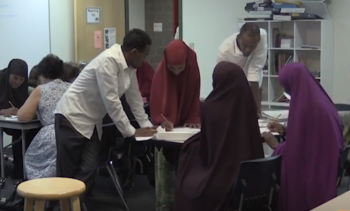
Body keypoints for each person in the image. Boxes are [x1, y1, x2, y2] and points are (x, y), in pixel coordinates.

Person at [54, 28, 157, 203]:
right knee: (68, 172)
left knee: (89, 167)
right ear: (134, 52)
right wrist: (131, 132)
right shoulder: (109, 61)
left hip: (91, 122)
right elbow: (112, 101)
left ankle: (74, 205)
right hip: (71, 117)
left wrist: (147, 127)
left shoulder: (129, 67)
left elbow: (135, 99)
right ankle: (61, 206)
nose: (145, 59)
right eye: (145, 55)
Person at [173, 61, 264, 211]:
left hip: (221, 177)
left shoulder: (211, 107)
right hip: (251, 180)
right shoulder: (249, 105)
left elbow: (210, 146)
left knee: (188, 168)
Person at [262, 63, 343, 211]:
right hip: (328, 167)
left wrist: (275, 145)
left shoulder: (304, 106)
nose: (283, 90)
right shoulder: (321, 100)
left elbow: (296, 154)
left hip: (313, 175)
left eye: (284, 85)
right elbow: (313, 136)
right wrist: (287, 131)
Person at [150, 39, 201, 211]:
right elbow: (158, 102)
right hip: (167, 136)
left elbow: (194, 95)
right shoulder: (161, 72)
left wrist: (193, 116)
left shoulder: (192, 67)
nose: (177, 73)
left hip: (187, 133)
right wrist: (161, 119)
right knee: (167, 177)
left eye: (181, 68)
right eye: (173, 69)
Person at [17, 54, 70, 180]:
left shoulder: (41, 89)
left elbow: (23, 116)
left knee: (30, 158)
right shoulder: (71, 87)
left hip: (52, 136)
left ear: (42, 75)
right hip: (73, 134)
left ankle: (40, 194)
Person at [217, 23, 267, 118]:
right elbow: (220, 80)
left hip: (253, 86)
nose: (248, 50)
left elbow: (254, 71)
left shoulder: (262, 36)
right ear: (238, 38)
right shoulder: (225, 51)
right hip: (230, 87)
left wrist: (257, 109)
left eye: (252, 46)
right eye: (245, 45)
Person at [0, 59, 37, 179]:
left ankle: (20, 174)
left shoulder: (25, 87)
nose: (17, 82)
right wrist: (2, 111)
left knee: (24, 135)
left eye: (21, 80)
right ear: (9, 73)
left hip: (14, 122)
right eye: (15, 78)